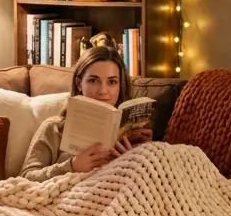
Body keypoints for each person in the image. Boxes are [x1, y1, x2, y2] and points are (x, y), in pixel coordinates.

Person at [19, 44, 151, 181]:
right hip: (67, 198)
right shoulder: (53, 128)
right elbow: (25, 178)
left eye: (112, 82)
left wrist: (140, 156)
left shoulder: (128, 133)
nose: (103, 91)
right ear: (79, 83)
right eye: (93, 80)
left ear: (120, 86)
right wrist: (72, 166)